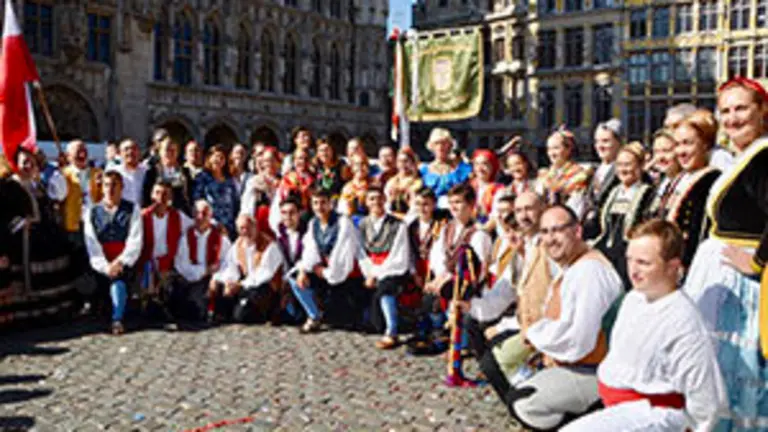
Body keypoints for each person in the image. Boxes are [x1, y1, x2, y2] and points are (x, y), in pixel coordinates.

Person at [562, 219, 727, 432]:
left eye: (644, 263)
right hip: (615, 406)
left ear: (673, 266)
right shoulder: (634, 298)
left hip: (653, 415)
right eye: (630, 260)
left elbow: (705, 397)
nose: (633, 270)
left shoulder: (684, 321)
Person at [683, 77, 768, 430]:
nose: (732, 118)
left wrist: (757, 260)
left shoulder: (764, 157)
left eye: (741, 109)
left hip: (741, 282)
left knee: (736, 368)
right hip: (722, 272)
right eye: (726, 110)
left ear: (763, 111)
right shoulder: (746, 156)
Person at [505, 205, 622, 431]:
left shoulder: (589, 272)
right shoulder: (574, 267)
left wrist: (535, 334)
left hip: (594, 370)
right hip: (576, 362)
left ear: (577, 232)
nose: (550, 239)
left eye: (557, 230)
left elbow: (579, 341)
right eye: (545, 232)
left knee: (524, 402)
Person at [479, 192, 554, 401]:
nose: (523, 215)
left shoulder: (550, 246)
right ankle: (520, 397)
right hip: (526, 322)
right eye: (519, 210)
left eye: (529, 209)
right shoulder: (527, 245)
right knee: (483, 336)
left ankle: (525, 401)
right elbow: (508, 292)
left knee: (492, 360)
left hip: (545, 327)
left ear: (543, 210)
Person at [1, 148, 77, 325]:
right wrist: (19, 223)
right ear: (15, 164)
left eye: (32, 162)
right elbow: (3, 214)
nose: (28, 166)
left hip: (44, 235)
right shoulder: (8, 186)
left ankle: (50, 311)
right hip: (21, 240)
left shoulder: (39, 184)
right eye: (24, 162)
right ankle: (26, 315)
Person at [290, 188, 362, 333]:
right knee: (295, 277)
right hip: (323, 270)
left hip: (343, 275)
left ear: (331, 204)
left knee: (340, 320)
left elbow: (342, 254)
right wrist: (304, 270)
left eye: (323, 203)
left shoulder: (343, 223)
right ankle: (313, 316)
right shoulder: (313, 223)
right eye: (315, 203)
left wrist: (326, 272)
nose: (319, 207)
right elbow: (310, 249)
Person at [83, 170, 143, 335]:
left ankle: (117, 319)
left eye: (114, 185)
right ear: (101, 188)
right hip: (100, 263)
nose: (110, 189)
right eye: (107, 185)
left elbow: (135, 240)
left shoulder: (132, 209)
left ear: (122, 187)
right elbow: (92, 243)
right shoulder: (92, 212)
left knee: (118, 283)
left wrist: (120, 262)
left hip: (123, 262)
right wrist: (104, 266)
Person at [662, 109, 721, 269]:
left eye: (688, 143)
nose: (681, 152)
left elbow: (700, 232)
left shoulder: (711, 179)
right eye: (677, 145)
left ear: (705, 144)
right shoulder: (678, 179)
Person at [591, 142, 655, 288]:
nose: (623, 169)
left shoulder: (647, 193)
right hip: (605, 254)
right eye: (619, 165)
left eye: (628, 164)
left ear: (639, 167)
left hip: (628, 256)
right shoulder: (612, 192)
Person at [357, 187, 412, 349]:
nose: (376, 202)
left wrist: (378, 273)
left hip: (392, 269)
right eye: (372, 199)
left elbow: (399, 255)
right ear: (366, 203)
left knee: (386, 287)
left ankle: (391, 330)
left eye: (379, 198)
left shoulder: (398, 225)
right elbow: (361, 253)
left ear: (385, 200)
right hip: (370, 269)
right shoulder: (362, 225)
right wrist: (369, 273)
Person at [208, 213, 284, 323]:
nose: (245, 231)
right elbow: (230, 266)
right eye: (242, 228)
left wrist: (240, 285)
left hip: (265, 287)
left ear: (255, 227)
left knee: (243, 314)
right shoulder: (238, 245)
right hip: (246, 285)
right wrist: (229, 282)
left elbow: (264, 274)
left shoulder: (269, 245)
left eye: (248, 227)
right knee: (219, 286)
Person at [138, 180, 194, 322]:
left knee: (171, 289)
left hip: (167, 264)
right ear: (152, 195)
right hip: (145, 263)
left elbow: (196, 225)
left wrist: (217, 226)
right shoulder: (142, 216)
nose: (161, 197)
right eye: (157, 193)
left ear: (170, 198)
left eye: (165, 194)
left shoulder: (177, 216)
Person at [173, 200, 231, 321]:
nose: (200, 217)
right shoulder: (185, 237)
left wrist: (216, 278)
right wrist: (204, 270)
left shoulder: (221, 238)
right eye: (197, 213)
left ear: (210, 216)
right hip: (195, 278)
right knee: (193, 312)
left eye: (204, 213)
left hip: (216, 280)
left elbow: (229, 263)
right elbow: (181, 265)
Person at [536, 127, 589, 218]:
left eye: (556, 148)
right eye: (549, 149)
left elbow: (577, 206)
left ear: (568, 149)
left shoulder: (579, 174)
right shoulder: (544, 175)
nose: (552, 153)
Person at [583, 120, 622, 239]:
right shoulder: (595, 170)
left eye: (606, 141)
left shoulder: (621, 170)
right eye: (597, 142)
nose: (600, 146)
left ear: (619, 142)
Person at [273, 196, 308, 324]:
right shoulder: (278, 235)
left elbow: (308, 258)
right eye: (284, 213)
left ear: (299, 213)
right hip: (287, 277)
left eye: (292, 212)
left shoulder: (307, 232)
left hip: (304, 274)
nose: (288, 216)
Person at [193, 145, 240, 239]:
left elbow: (236, 203)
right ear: (209, 158)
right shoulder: (202, 178)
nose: (218, 160)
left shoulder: (230, 180)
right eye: (216, 156)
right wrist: (213, 223)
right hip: (210, 225)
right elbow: (197, 200)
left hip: (230, 227)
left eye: (222, 157)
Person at [419, 128, 472, 209]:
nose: (440, 147)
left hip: (455, 211)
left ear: (450, 146)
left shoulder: (461, 169)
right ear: (431, 146)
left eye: (444, 143)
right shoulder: (423, 170)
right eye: (436, 143)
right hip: (431, 212)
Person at [142, 137, 194, 215]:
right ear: (160, 152)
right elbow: (146, 196)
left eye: (173, 150)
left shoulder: (185, 172)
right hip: (158, 214)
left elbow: (190, 195)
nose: (170, 153)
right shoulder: (152, 172)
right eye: (167, 150)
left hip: (180, 214)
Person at [241, 146, 281, 233]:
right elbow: (246, 205)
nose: (269, 163)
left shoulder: (284, 181)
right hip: (258, 222)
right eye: (266, 161)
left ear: (278, 162)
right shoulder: (254, 181)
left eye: (271, 160)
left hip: (279, 222)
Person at [646, 128, 682, 216]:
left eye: (666, 151)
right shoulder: (659, 185)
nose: (660, 157)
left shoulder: (686, 183)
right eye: (656, 152)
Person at [384, 147, 423, 221]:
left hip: (410, 219)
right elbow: (386, 204)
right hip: (392, 218)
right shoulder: (391, 182)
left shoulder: (418, 183)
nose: (403, 164)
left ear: (413, 163)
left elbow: (416, 208)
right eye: (400, 161)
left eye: (406, 161)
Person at [470, 149, 504, 226]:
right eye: (477, 164)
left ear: (492, 166)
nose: (480, 168)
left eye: (485, 164)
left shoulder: (499, 189)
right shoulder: (467, 187)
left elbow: (496, 217)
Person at [338, 152, 372, 225]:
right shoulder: (347, 187)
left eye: (363, 164)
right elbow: (343, 212)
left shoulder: (374, 184)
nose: (360, 167)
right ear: (352, 168)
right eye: (357, 164)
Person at [113, 139, 147, 206]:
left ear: (138, 152)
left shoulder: (146, 171)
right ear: (120, 153)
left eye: (134, 148)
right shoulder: (114, 172)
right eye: (126, 149)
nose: (130, 152)